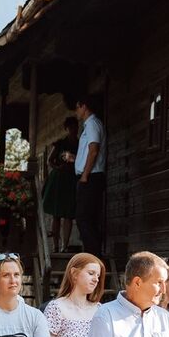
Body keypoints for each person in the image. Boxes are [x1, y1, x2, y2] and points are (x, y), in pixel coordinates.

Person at [73, 96, 106, 256]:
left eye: (77, 107)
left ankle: (93, 257)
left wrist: (84, 175)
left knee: (84, 218)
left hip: (91, 177)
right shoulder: (89, 125)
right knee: (86, 218)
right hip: (90, 176)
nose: (76, 112)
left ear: (83, 106)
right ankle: (92, 256)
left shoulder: (92, 123)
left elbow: (94, 150)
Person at [42, 117, 79, 252]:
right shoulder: (61, 144)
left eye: (75, 126)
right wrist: (58, 168)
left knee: (68, 213)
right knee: (56, 214)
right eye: (70, 127)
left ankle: (65, 246)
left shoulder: (80, 144)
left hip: (72, 179)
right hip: (59, 179)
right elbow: (50, 160)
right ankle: (56, 246)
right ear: (66, 128)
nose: (73, 129)